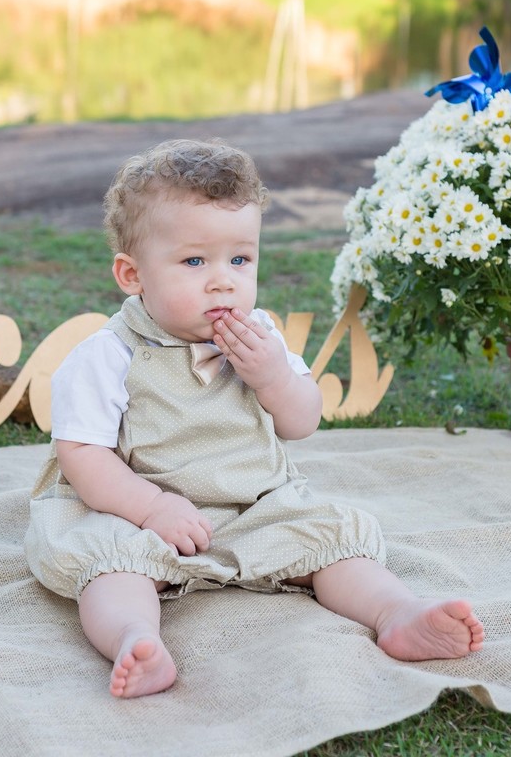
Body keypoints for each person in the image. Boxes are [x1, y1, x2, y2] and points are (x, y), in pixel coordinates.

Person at [25, 138, 484, 698]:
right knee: (108, 565)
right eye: (194, 261)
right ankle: (136, 639)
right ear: (132, 274)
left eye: (240, 259)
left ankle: (398, 614)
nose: (223, 280)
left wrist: (273, 378)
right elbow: (83, 455)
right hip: (138, 512)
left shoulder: (259, 336)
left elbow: (301, 423)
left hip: (254, 505)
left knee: (333, 537)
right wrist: (150, 508)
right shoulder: (108, 355)